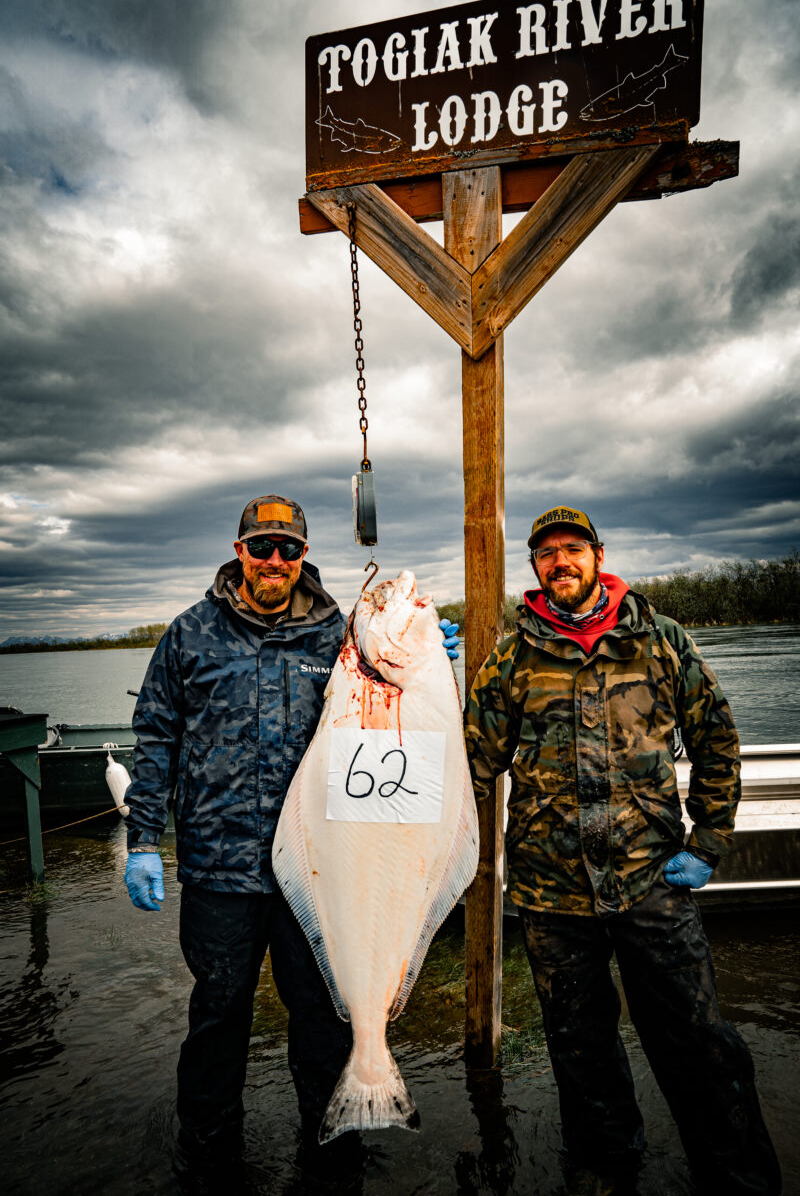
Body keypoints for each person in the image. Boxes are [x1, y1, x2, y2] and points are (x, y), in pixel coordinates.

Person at [122, 493, 460, 1163]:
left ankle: (334, 1144)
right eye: (261, 547)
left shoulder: (338, 630)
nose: (274, 560)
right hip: (220, 867)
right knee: (218, 1015)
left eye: (289, 549)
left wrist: (429, 661)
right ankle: (209, 1149)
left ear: (303, 555)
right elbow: (154, 737)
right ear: (239, 551)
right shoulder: (189, 633)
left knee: (321, 1019)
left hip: (322, 869)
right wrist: (142, 841)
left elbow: (388, 722)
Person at [463, 505, 781, 1196]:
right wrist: (424, 675)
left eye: (572, 549)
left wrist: (710, 839)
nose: (560, 562)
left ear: (597, 555)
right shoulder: (514, 655)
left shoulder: (660, 639)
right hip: (551, 894)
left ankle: (737, 1175)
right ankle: (607, 1169)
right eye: (546, 554)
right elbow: (472, 762)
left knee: (699, 1042)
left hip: (652, 881)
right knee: (580, 1048)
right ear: (536, 568)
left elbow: (716, 740)